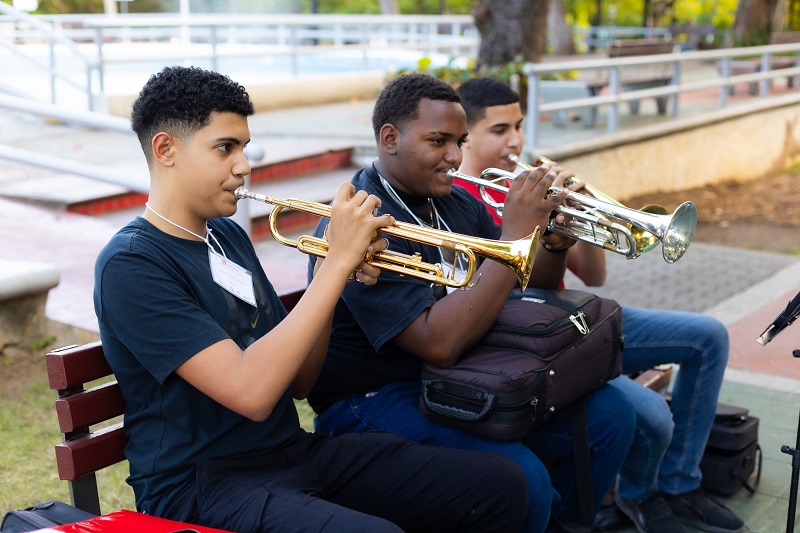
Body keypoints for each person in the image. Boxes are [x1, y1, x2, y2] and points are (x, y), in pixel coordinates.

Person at [92, 65, 532, 533]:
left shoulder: (226, 237)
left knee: (498, 482)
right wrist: (336, 265)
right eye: (225, 148)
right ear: (166, 150)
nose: (243, 164)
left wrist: (328, 272)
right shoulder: (132, 263)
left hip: (287, 454)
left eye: (242, 146)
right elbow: (253, 394)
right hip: (199, 485)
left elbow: (300, 382)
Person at [305, 72, 637, 533]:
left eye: (459, 142)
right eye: (438, 141)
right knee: (526, 481)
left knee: (613, 417)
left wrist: (552, 240)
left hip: (459, 376)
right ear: (389, 138)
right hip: (372, 398)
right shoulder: (363, 219)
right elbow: (436, 342)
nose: (455, 157)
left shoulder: (455, 201)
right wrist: (517, 234)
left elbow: (523, 283)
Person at [456, 76, 745, 533]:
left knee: (709, 336)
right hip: (528, 342)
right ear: (465, 135)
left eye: (519, 126)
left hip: (575, 318)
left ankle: (678, 488)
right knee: (651, 416)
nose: (515, 141)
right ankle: (638, 501)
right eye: (499, 130)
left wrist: (574, 212)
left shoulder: (531, 183)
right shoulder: (464, 198)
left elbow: (595, 276)